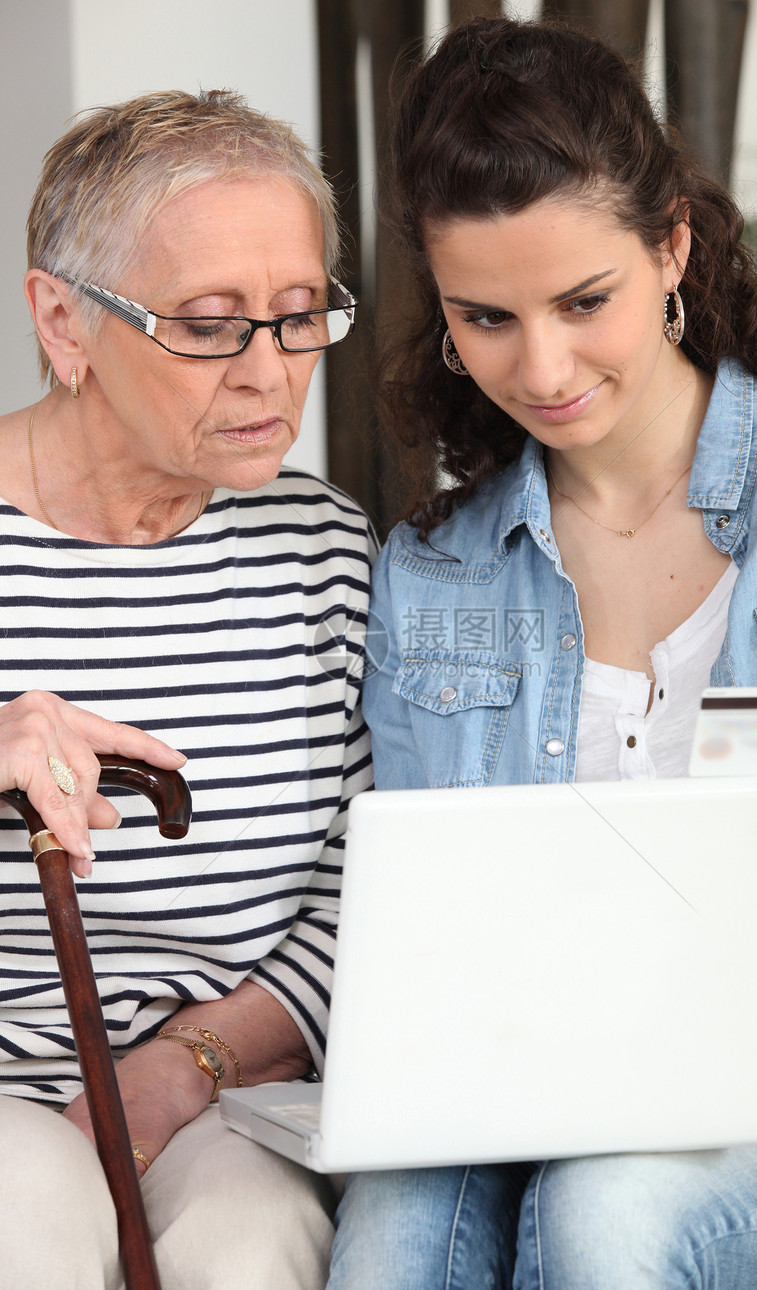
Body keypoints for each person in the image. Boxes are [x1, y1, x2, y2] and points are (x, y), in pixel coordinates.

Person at [327, 16, 757, 1290]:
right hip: (519, 1107)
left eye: (583, 302)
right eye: (486, 317)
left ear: (669, 245)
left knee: (608, 1209)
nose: (543, 367)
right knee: (398, 1225)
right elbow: (438, 949)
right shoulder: (432, 572)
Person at [0, 89, 373, 1289]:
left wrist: (189, 1062)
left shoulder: (324, 554)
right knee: (32, 1212)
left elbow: (365, 884)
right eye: (210, 326)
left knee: (255, 1242)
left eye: (299, 316)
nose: (271, 373)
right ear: (63, 319)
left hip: (220, 1084)